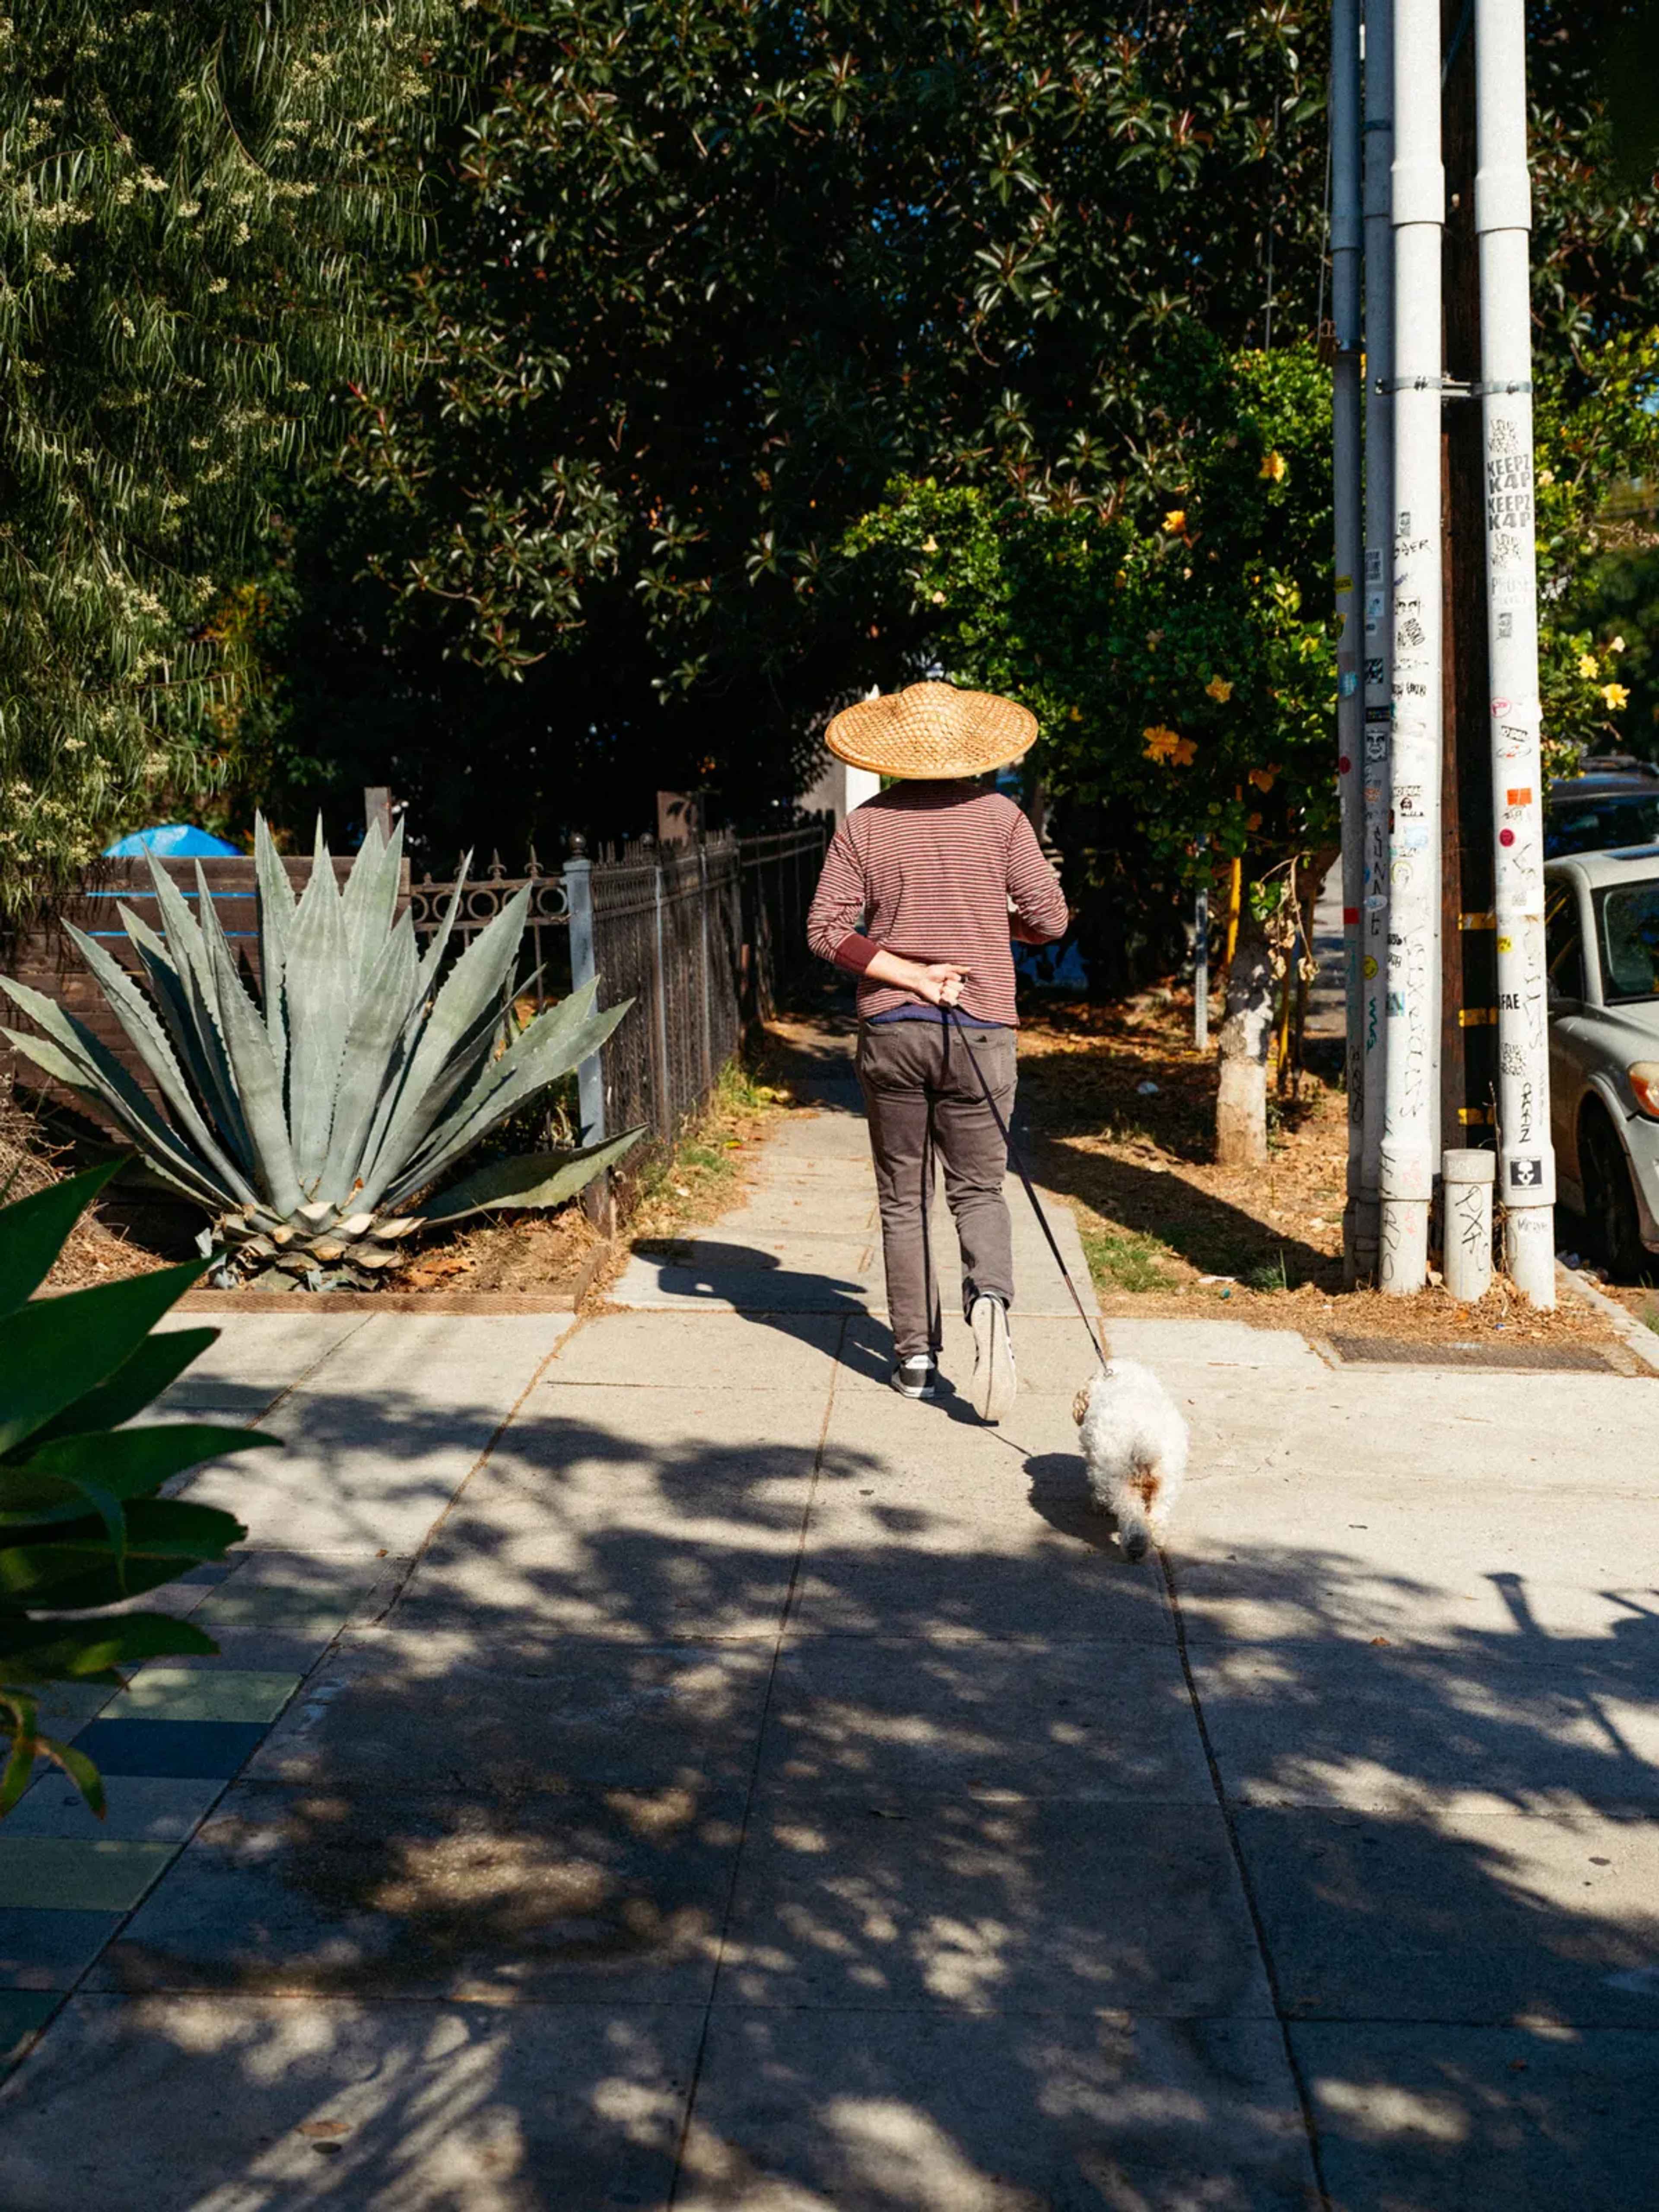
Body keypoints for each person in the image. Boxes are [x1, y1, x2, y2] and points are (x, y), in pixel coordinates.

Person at [805, 681, 1068, 1418]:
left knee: (902, 1199)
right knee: (979, 1190)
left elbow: (826, 930)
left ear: (894, 756)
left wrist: (909, 972)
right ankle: (990, 1304)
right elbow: (1051, 918)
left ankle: (916, 1357)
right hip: (983, 1028)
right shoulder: (1000, 818)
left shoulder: (866, 826)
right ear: (971, 752)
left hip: (893, 1030)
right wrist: (992, 930)